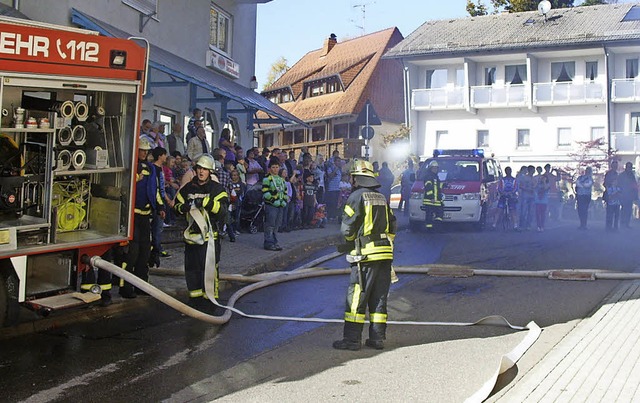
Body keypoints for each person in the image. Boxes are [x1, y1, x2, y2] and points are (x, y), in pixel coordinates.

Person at [333, 159, 396, 351]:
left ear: (354, 178)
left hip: (365, 256)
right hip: (385, 253)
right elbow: (393, 224)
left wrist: (347, 245)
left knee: (356, 297)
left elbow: (347, 230)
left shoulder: (356, 197)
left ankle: (352, 340)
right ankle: (377, 338)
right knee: (379, 297)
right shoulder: (381, 197)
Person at [174, 154, 229, 311]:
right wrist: (181, 208)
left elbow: (223, 213)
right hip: (191, 237)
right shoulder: (188, 188)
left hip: (210, 238)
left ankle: (210, 299)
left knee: (210, 269)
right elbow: (176, 207)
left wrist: (207, 203)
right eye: (199, 168)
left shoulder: (217, 189)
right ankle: (195, 299)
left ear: (210, 171)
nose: (201, 172)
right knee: (192, 269)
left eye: (205, 169)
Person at [119, 136, 164, 299]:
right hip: (132, 216)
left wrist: (160, 207)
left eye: (146, 151)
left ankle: (141, 284)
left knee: (145, 251)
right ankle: (126, 288)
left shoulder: (152, 169)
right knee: (132, 253)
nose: (144, 153)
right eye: (141, 150)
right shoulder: (131, 167)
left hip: (146, 216)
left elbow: (156, 190)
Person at [262, 157, 289, 251]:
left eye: (277, 167)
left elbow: (285, 191)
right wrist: (273, 201)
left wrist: (284, 201)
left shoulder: (281, 179)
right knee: (270, 224)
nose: (275, 169)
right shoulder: (267, 179)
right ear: (270, 168)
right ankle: (268, 243)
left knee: (277, 225)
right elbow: (266, 192)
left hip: (280, 205)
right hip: (271, 205)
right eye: (273, 167)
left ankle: (275, 241)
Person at [421, 160, 444, 230]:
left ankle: (437, 227)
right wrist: (431, 197)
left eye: (436, 168)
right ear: (430, 168)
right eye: (434, 168)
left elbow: (437, 186)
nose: (435, 169)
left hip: (436, 200)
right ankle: (429, 229)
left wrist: (444, 185)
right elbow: (428, 187)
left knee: (439, 213)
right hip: (430, 200)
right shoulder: (428, 176)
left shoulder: (435, 176)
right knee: (429, 215)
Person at [618, 162, 638, 229]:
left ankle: (626, 223)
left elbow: (634, 185)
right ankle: (622, 222)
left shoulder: (632, 175)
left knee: (629, 210)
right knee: (624, 209)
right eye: (628, 167)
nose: (629, 168)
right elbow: (619, 185)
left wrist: (635, 194)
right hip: (623, 195)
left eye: (630, 167)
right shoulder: (622, 175)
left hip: (630, 195)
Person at [325, 155, 342, 221]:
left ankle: (335, 215)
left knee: (336, 203)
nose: (339, 163)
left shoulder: (340, 169)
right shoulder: (331, 168)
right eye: (338, 161)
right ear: (334, 162)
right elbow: (330, 176)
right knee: (331, 203)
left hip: (338, 188)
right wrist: (335, 170)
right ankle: (330, 215)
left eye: (339, 161)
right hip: (331, 188)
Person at [517, 166, 535, 231]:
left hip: (532, 196)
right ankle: (521, 225)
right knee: (523, 211)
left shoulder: (534, 178)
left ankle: (528, 225)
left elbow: (535, 186)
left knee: (531, 211)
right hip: (525, 196)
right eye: (533, 170)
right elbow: (520, 186)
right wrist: (527, 189)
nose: (534, 171)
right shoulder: (524, 178)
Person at [604, 160, 619, 231]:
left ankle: (615, 227)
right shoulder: (608, 174)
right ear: (612, 166)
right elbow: (605, 184)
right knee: (609, 212)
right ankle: (608, 227)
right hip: (609, 193)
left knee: (616, 213)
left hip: (616, 195)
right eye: (614, 165)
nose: (615, 166)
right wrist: (609, 191)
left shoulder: (617, 174)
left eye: (616, 165)